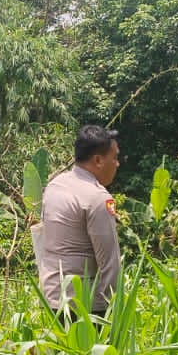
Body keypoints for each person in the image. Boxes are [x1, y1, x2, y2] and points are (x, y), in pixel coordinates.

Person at [35, 124, 122, 320]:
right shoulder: (97, 198)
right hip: (85, 306)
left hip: (52, 298)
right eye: (114, 158)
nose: (117, 164)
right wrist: (113, 310)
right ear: (98, 160)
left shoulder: (55, 186)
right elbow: (110, 263)